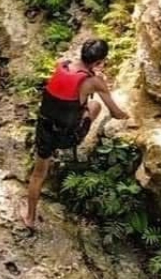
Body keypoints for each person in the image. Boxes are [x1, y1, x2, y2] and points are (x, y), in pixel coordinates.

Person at [22, 39, 130, 228]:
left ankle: (29, 217)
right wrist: (128, 116)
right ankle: (77, 139)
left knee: (38, 175)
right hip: (67, 137)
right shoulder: (94, 82)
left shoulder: (62, 65)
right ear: (99, 62)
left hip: (44, 129)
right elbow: (115, 112)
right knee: (94, 105)